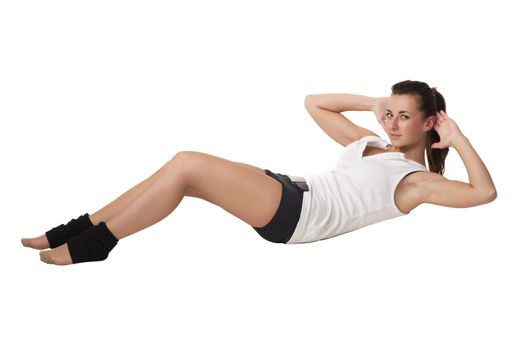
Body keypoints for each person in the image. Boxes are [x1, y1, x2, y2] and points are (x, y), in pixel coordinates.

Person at [21, 80, 497, 265]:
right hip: (289, 190)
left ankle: (95, 245)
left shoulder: (415, 182)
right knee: (176, 169)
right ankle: (82, 228)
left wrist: (456, 139)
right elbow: (315, 102)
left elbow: (483, 193)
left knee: (188, 165)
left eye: (403, 116)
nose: (391, 124)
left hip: (299, 217)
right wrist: (375, 102)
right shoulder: (370, 142)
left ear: (428, 123)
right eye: (388, 115)